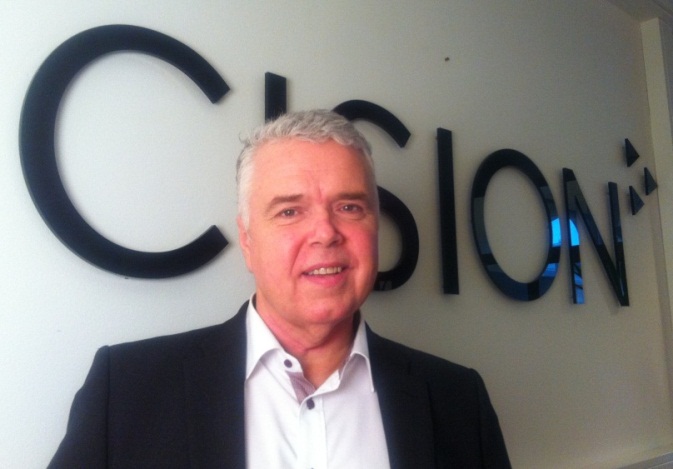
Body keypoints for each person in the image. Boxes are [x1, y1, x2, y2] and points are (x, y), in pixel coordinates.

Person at [48, 110, 511, 468]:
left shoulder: (457, 400)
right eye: (290, 211)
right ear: (248, 240)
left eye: (349, 207)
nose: (325, 233)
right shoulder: (127, 390)